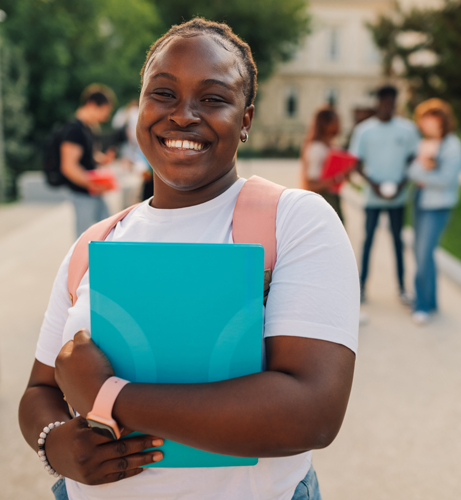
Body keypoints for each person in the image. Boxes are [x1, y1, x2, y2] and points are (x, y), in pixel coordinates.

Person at [19, 18, 359, 500]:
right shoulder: (97, 243)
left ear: (245, 120)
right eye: (162, 94)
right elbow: (40, 391)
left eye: (213, 98)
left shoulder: (294, 220)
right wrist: (55, 446)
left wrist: (109, 396)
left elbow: (312, 412)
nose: (183, 115)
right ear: (139, 107)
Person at [349, 85, 420, 304]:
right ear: (378, 103)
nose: (388, 107)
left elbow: (413, 158)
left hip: (398, 197)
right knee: (368, 240)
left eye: (392, 103)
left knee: (398, 242)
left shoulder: (407, 129)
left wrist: (401, 184)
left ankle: (401, 288)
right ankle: (361, 288)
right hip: (372, 196)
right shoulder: (365, 130)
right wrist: (374, 184)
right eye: (384, 102)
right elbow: (356, 162)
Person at [407, 98, 461, 325]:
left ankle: (420, 305)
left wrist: (424, 174)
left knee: (424, 252)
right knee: (422, 252)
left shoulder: (452, 146)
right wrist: (425, 169)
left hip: (439, 206)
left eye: (427, 119)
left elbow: (446, 179)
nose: (423, 124)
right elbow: (412, 170)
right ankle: (430, 301)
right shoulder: (425, 143)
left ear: (440, 120)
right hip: (420, 202)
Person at [60, 85, 117, 236]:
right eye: (105, 110)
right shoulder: (75, 130)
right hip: (82, 192)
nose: (106, 116)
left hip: (92, 191)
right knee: (83, 237)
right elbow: (69, 166)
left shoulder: (89, 128)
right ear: (92, 105)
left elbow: (87, 156)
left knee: (107, 230)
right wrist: (93, 184)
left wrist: (102, 160)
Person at [301, 107, 346, 222]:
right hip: (321, 201)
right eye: (335, 122)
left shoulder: (332, 146)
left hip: (333, 199)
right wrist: (335, 179)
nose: (339, 125)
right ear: (325, 124)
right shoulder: (316, 149)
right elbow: (311, 185)